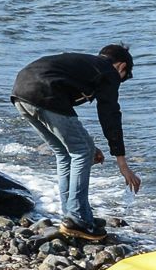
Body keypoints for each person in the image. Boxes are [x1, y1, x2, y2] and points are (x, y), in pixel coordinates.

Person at [11, 44, 138, 241]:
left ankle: (73, 216)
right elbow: (110, 115)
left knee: (65, 153)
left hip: (21, 92)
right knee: (81, 152)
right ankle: (77, 218)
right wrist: (122, 163)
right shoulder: (109, 71)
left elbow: (67, 123)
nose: (120, 81)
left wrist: (90, 145)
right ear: (121, 66)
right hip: (45, 93)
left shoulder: (85, 65)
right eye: (124, 76)